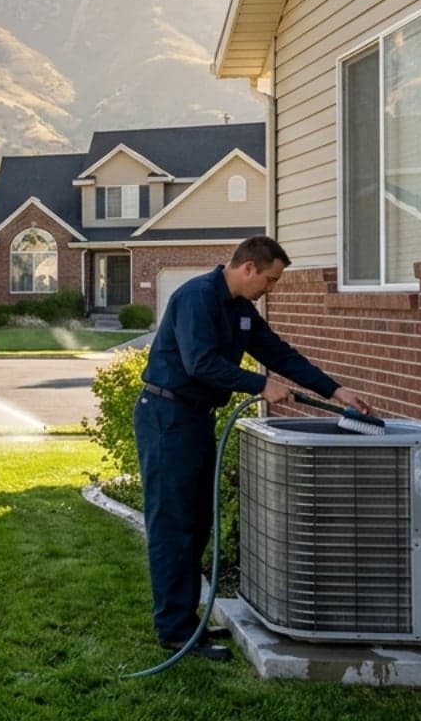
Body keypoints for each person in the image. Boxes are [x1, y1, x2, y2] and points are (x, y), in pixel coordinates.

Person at [135, 235, 374, 661]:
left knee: (196, 523)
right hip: (167, 418)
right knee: (174, 523)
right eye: (270, 279)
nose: (272, 288)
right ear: (248, 268)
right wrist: (260, 384)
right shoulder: (197, 298)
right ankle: (174, 631)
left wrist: (338, 391)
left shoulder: (242, 312)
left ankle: (185, 622)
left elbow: (281, 354)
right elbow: (200, 363)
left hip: (194, 418)